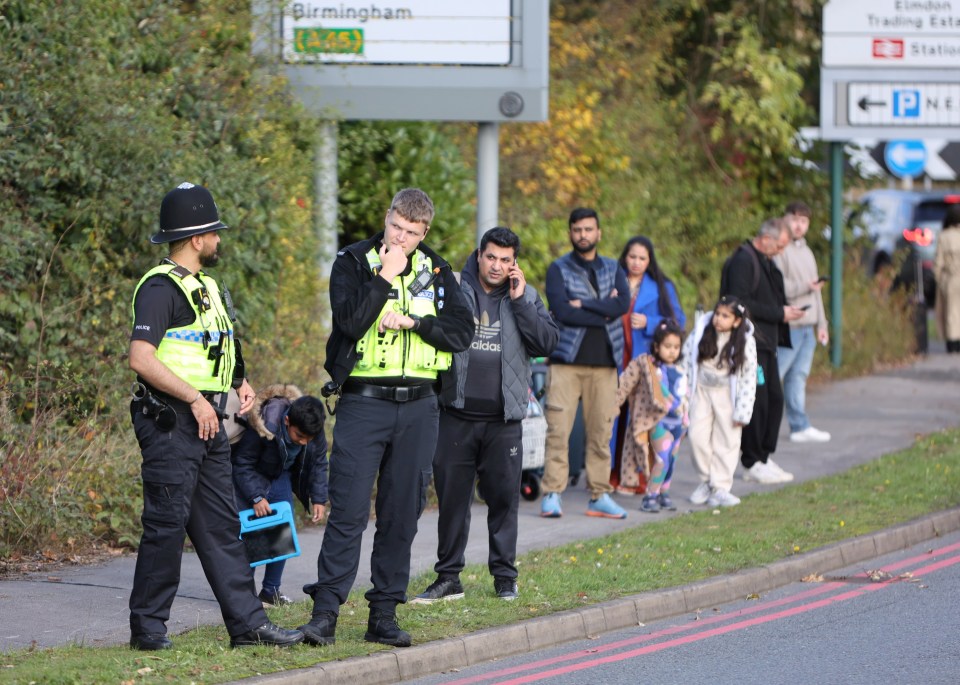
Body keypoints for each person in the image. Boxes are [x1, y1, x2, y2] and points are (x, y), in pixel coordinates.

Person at [127, 182, 304, 650]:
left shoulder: (206, 286)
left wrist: (239, 380)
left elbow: (218, 344)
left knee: (223, 527)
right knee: (166, 526)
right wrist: (194, 398)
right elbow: (141, 357)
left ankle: (249, 626)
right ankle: (148, 630)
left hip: (207, 419)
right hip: (172, 419)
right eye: (213, 232)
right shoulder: (160, 288)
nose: (219, 240)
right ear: (194, 237)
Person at [299, 188, 473, 648]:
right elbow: (349, 323)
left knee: (402, 514)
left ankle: (383, 614)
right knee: (349, 511)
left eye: (412, 233)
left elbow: (462, 332)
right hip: (364, 402)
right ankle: (325, 615)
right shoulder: (354, 262)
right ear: (387, 216)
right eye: (396, 227)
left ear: (425, 232)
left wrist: (418, 324)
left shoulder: (436, 270)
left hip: (420, 405)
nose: (401, 239)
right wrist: (384, 277)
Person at [412, 227, 559, 605]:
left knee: (504, 500)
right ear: (479, 255)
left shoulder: (524, 297)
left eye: (505, 260)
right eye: (491, 256)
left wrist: (522, 300)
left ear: (515, 264)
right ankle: (448, 578)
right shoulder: (453, 287)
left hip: (504, 420)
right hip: (456, 414)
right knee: (453, 501)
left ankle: (505, 578)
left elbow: (546, 344)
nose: (496, 265)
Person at [540, 207, 631, 519]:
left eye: (589, 229)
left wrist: (587, 304)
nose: (583, 235)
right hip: (566, 362)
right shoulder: (558, 269)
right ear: (570, 233)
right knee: (557, 430)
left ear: (598, 233)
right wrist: (602, 310)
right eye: (577, 230)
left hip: (605, 364)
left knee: (601, 433)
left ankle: (600, 495)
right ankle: (552, 493)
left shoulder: (613, 267)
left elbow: (621, 304)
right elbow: (562, 311)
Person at [720, 218, 804, 486]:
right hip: (750, 342)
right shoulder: (744, 261)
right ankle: (752, 460)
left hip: (767, 342)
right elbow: (739, 302)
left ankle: (764, 456)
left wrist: (784, 311)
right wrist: (779, 313)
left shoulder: (766, 261)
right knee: (758, 399)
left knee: (774, 399)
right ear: (765, 238)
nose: (780, 251)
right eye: (779, 245)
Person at [231, 385, 329, 607]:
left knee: (282, 532)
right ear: (287, 422)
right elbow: (242, 463)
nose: (304, 442)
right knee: (253, 535)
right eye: (299, 436)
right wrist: (256, 496)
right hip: (254, 474)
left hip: (281, 475)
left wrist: (319, 498)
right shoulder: (264, 424)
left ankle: (270, 591)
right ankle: (244, 594)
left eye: (309, 438)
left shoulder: (313, 430)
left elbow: (320, 462)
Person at [611, 236, 686, 495]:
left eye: (642, 258)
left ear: (649, 260)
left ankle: (639, 477)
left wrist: (651, 322)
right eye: (632, 257)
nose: (636, 262)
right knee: (612, 418)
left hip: (644, 364)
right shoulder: (612, 280)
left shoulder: (661, 286)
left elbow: (679, 320)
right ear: (625, 257)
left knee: (639, 421)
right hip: (615, 359)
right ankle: (609, 474)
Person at [683, 296, 758, 507]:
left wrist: (743, 411)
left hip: (727, 395)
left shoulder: (745, 341)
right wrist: (683, 394)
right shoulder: (700, 333)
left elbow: (748, 377)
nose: (719, 319)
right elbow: (686, 359)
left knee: (727, 441)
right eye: (717, 313)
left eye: (725, 316)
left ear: (736, 321)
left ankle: (721, 487)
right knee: (697, 437)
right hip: (701, 392)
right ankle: (707, 481)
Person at [613, 319, 689, 513]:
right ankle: (651, 496)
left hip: (678, 423)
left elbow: (685, 395)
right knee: (661, 459)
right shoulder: (650, 367)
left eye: (676, 347)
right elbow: (626, 382)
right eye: (667, 346)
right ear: (657, 346)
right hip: (658, 421)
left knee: (671, 461)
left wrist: (687, 415)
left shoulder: (681, 370)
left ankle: (664, 493)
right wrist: (614, 404)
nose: (672, 351)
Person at [774, 201, 831, 443]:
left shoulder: (807, 251)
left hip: (809, 325)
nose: (799, 225)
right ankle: (751, 423)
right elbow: (777, 286)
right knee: (772, 375)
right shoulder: (780, 250)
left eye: (804, 221)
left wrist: (822, 324)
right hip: (789, 324)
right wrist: (803, 287)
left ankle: (799, 425)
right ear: (786, 219)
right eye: (795, 219)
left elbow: (816, 291)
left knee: (798, 376)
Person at [934, 204, 960, 353]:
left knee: (951, 312)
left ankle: (953, 345)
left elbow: (939, 262)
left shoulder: (944, 236)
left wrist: (939, 279)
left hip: (951, 278)